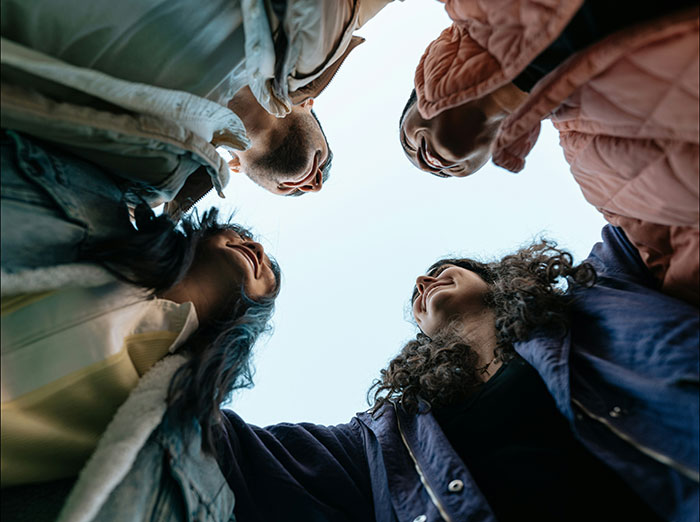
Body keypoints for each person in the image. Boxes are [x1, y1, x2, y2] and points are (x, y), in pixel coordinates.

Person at [45, 226, 698, 522]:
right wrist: (220, 314)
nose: (426, 281)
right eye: (417, 289)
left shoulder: (604, 290)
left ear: (499, 277)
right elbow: (225, 455)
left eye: (446, 267)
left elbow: (652, 197)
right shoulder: (384, 445)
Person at [1, 130, 281, 494]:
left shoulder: (171, 414)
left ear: (248, 321)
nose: (255, 248)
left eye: (269, 273)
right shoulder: (94, 209)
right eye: (242, 236)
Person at [399, 0, 699, 306]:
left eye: (407, 144)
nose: (430, 167)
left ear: (418, 90)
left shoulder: (474, 8)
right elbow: (674, 253)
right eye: (443, 174)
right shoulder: (591, 166)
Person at [1, 0, 395, 210]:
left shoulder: (149, 170)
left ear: (236, 168)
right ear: (310, 101)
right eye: (324, 161)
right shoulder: (317, 34)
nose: (314, 185)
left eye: (294, 193)